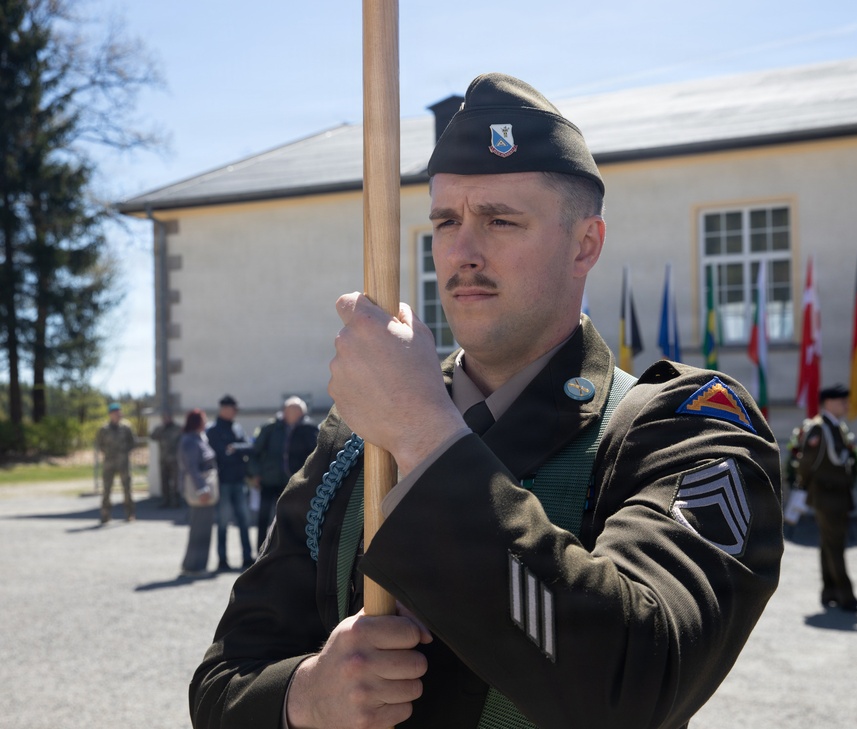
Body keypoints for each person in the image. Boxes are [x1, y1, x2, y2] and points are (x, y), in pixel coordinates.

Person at [191, 73, 783, 729]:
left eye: (501, 220)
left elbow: (636, 682)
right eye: (446, 221)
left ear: (585, 244)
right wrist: (306, 695)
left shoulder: (681, 428)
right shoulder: (358, 435)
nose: (462, 252)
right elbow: (222, 684)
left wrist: (424, 434)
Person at [796, 384, 857, 613]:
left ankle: (829, 591)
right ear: (828, 403)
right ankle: (847, 597)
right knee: (835, 545)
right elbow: (806, 463)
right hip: (827, 496)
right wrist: (805, 486)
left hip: (836, 495)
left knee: (828, 544)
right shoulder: (819, 429)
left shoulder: (835, 427)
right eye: (842, 401)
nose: (846, 405)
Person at [246, 396, 319, 551]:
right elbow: (255, 452)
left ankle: (287, 551)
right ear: (284, 411)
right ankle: (260, 551)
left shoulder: (309, 429)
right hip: (269, 479)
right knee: (264, 517)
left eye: (298, 411)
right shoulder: (270, 428)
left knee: (290, 518)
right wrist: (256, 473)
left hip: (293, 481)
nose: (294, 414)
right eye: (291, 410)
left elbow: (315, 454)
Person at [206, 394, 254, 572]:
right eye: (234, 409)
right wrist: (236, 451)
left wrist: (235, 449)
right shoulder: (213, 430)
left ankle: (247, 558)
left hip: (239, 481)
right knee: (223, 523)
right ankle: (222, 560)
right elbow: (221, 455)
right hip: (223, 482)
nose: (235, 412)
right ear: (224, 409)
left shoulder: (237, 428)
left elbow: (250, 447)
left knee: (244, 521)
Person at [179, 409, 219, 577]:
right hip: (201, 491)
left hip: (203, 489)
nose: (206, 422)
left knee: (202, 529)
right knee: (199, 531)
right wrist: (202, 489)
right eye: (203, 419)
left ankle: (195, 565)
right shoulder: (190, 440)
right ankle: (194, 567)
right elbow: (192, 468)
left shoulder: (198, 437)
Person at [95, 402, 136, 524]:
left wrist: (124, 452)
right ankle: (105, 514)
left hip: (123, 462)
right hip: (109, 462)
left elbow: (132, 442)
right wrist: (108, 452)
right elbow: (99, 444)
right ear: (110, 414)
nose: (118, 415)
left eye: (119, 412)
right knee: (107, 489)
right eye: (115, 413)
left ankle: (129, 513)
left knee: (127, 488)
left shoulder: (126, 427)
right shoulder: (104, 429)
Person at [149, 411, 183, 508]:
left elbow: (183, 440)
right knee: (164, 481)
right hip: (163, 459)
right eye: (164, 418)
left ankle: (176, 501)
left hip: (174, 460)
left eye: (167, 417)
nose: (166, 419)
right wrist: (161, 428)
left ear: (171, 418)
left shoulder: (178, 428)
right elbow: (152, 436)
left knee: (175, 482)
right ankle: (166, 500)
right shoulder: (160, 429)